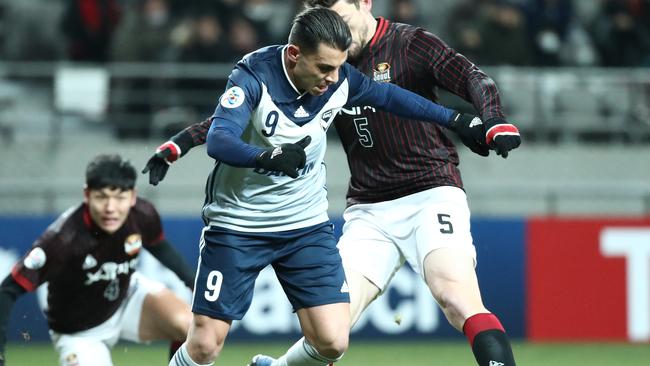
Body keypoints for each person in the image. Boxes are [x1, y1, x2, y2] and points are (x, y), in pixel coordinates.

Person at [151, 6, 520, 366]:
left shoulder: (362, 65)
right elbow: (222, 132)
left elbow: (396, 96)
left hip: (341, 216)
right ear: (296, 54)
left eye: (338, 67)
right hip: (268, 222)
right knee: (208, 346)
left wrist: (463, 120)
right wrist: (253, 155)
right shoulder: (261, 73)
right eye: (324, 67)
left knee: (353, 333)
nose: (332, 77)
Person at [0, 154, 194, 366]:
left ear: (132, 197)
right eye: (101, 197)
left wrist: (194, 283)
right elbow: (8, 290)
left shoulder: (142, 215)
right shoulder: (62, 239)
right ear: (87, 194)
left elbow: (160, 248)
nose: (110, 208)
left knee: (192, 327)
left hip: (126, 298)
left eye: (120, 198)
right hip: (78, 333)